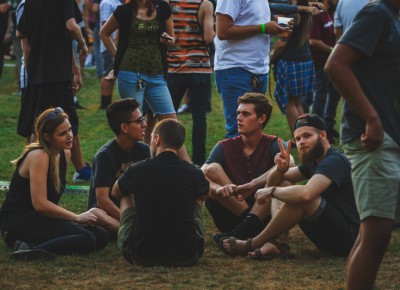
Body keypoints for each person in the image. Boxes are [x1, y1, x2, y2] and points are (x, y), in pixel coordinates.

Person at [325, 0, 400, 288]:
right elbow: (336, 64)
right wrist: (371, 117)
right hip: (372, 137)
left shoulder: (393, 16)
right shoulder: (376, 13)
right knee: (377, 232)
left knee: (374, 233)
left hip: (389, 133)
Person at [219, 114, 359, 260]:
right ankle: (278, 244)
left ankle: (252, 243)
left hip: (350, 241)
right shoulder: (315, 161)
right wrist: (280, 169)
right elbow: (276, 180)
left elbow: (306, 194)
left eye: (307, 136)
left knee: (303, 199)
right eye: (298, 139)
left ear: (323, 135)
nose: (302, 142)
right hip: (328, 237)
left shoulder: (334, 161)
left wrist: (272, 191)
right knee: (284, 184)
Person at [0, 108, 109, 261]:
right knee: (87, 239)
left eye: (70, 130)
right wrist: (76, 218)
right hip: (17, 222)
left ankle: (31, 243)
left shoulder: (65, 153)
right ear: (47, 137)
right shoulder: (39, 155)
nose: (70, 136)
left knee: (101, 235)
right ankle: (29, 250)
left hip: (40, 218)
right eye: (62, 133)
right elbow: (41, 204)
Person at [100, 0, 190, 162]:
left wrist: (168, 40)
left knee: (172, 124)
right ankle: (138, 167)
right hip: (130, 74)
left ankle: (188, 167)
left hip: (156, 74)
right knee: (134, 125)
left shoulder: (162, 8)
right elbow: (103, 33)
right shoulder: (124, 11)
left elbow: (173, 40)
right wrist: (117, 57)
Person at [111, 119, 209, 266]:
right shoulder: (194, 173)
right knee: (197, 197)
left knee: (126, 192)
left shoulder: (138, 169)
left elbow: (115, 192)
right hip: (187, 255)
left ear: (157, 139)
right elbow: (204, 195)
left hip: (141, 255)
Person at [16, 0, 92, 183]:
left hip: (41, 74)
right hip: (57, 74)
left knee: (44, 122)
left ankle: (33, 171)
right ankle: (32, 172)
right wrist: (83, 42)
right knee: (49, 124)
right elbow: (71, 26)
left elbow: (21, 34)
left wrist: (31, 70)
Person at [202, 93, 293, 241]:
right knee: (211, 169)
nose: (239, 118)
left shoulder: (273, 144)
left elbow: (291, 163)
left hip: (265, 212)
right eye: (238, 113)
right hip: (234, 211)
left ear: (261, 119)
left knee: (285, 182)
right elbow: (202, 174)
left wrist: (253, 184)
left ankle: (246, 230)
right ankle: (248, 225)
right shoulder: (225, 146)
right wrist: (218, 189)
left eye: (245, 114)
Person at [214, 0, 287, 138]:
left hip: (259, 69)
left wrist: (274, 27)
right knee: (238, 131)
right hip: (235, 68)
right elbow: (223, 31)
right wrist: (263, 28)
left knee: (255, 128)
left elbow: (253, 25)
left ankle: (251, 160)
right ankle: (234, 160)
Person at [88, 98, 150, 237]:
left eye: (143, 119)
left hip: (131, 205)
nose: (145, 124)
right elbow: (102, 200)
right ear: (124, 127)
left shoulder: (144, 150)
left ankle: (133, 231)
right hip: (109, 212)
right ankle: (135, 231)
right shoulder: (104, 156)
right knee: (96, 214)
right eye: (139, 121)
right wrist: (129, 218)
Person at [166, 0, 215, 166]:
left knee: (168, 117)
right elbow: (209, 37)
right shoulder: (204, 4)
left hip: (175, 67)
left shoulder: (168, 3)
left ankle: (170, 156)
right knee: (199, 117)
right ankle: (199, 160)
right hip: (199, 68)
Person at [271, 0, 315, 137]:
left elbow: (281, 43)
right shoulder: (306, 12)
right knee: (297, 102)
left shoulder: (290, 14)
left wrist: (270, 60)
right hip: (305, 59)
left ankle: (299, 137)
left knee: (290, 103)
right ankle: (307, 134)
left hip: (291, 62)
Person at [309, 0, 340, 139]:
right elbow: (313, 41)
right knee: (320, 97)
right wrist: (333, 50)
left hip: (332, 61)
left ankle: (328, 126)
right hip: (321, 62)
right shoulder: (316, 14)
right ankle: (316, 130)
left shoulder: (327, 11)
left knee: (335, 93)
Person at [98, 0, 120, 109]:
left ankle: (108, 102)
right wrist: (112, 46)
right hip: (110, 46)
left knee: (112, 74)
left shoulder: (118, 2)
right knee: (109, 74)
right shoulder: (106, 3)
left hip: (117, 45)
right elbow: (104, 25)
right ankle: (105, 104)